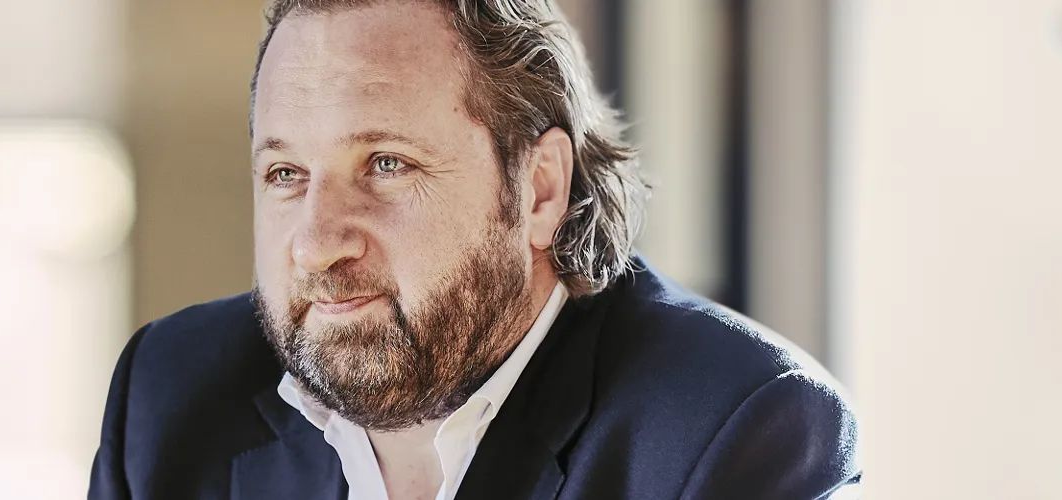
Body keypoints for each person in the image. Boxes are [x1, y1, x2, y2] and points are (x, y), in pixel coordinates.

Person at [88, 0, 860, 498]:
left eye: (386, 165)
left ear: (540, 189)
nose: (318, 244)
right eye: (286, 174)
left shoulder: (738, 427)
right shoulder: (170, 399)